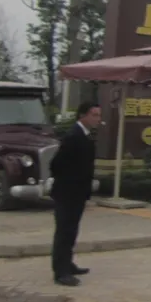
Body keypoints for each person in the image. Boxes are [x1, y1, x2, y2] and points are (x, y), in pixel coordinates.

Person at [49, 101, 101, 287]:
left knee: (71, 230)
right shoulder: (73, 136)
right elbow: (56, 164)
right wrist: (68, 181)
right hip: (67, 192)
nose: (97, 119)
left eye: (99, 115)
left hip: (78, 193)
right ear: (82, 115)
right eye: (94, 115)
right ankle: (60, 271)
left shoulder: (85, 135)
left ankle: (68, 263)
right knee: (64, 231)